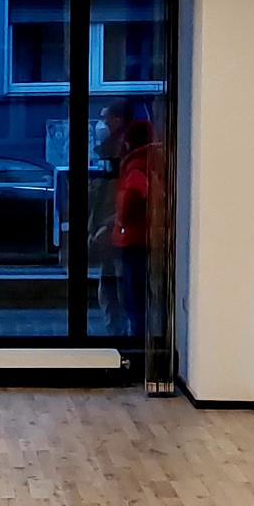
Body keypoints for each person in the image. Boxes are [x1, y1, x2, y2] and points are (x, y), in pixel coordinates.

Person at [112, 119, 163, 341]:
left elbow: (133, 196)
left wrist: (121, 219)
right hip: (146, 237)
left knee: (134, 295)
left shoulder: (136, 165)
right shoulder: (153, 160)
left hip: (134, 239)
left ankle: (137, 340)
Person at [88, 101, 131, 332]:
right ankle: (116, 332)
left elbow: (125, 196)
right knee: (108, 285)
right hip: (107, 229)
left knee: (117, 287)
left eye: (105, 118)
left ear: (117, 120)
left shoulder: (124, 153)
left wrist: (107, 224)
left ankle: (121, 333)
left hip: (116, 230)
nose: (100, 124)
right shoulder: (108, 152)